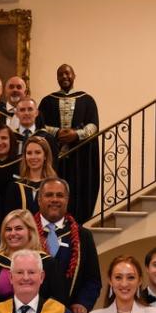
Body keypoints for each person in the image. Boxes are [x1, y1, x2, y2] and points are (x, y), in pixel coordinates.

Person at [0, 209, 64, 313]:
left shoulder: (48, 264)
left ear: (30, 231)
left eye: (18, 228)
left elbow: (59, 303)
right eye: (8, 229)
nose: (13, 233)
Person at [39, 64, 100, 224]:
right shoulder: (47, 101)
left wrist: (76, 134)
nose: (64, 77)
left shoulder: (87, 100)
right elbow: (39, 125)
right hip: (55, 159)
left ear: (74, 75)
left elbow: (93, 126)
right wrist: (57, 132)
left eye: (67, 73)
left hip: (80, 159)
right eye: (60, 74)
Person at [34, 178, 101, 313]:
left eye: (59, 195)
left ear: (67, 199)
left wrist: (83, 303)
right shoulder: (26, 232)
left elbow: (93, 279)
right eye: (48, 195)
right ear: (39, 199)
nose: (54, 199)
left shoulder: (83, 236)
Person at [4, 135, 59, 215]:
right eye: (29, 153)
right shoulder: (15, 187)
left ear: (45, 156)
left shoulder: (55, 186)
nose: (33, 157)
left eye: (37, 152)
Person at [12, 97, 58, 163]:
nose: (26, 113)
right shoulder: (11, 137)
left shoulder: (48, 138)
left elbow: (53, 164)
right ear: (16, 114)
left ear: (36, 113)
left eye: (30, 109)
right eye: (22, 110)